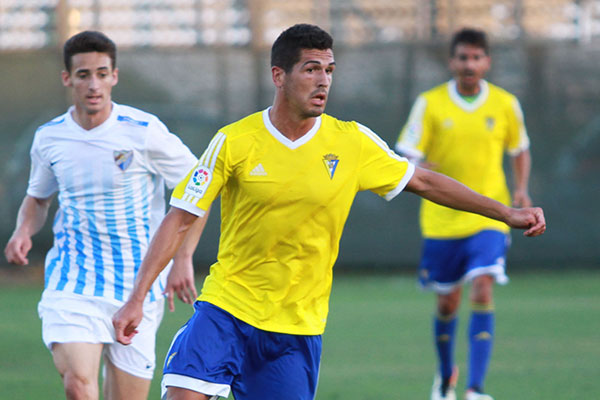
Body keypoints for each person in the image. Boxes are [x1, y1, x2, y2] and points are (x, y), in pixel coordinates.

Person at [113, 24, 545, 400]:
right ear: (278, 76)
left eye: (330, 70)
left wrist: (505, 212)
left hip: (297, 327)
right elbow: (181, 216)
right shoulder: (235, 140)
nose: (324, 80)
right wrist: (137, 298)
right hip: (227, 309)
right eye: (312, 69)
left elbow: (425, 181)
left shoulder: (352, 142)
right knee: (183, 395)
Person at [4, 31, 208, 400]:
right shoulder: (49, 138)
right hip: (73, 283)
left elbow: (198, 190)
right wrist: (23, 231)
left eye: (102, 73)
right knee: (78, 384)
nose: (93, 84)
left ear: (114, 76)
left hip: (138, 286)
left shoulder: (143, 132)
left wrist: (183, 257)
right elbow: (38, 199)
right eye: (84, 75)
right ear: (68, 79)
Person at [395, 28, 534, 400]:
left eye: (476, 57)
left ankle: (476, 388)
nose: (469, 64)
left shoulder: (505, 103)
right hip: (441, 220)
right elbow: (405, 151)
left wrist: (520, 189)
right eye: (462, 57)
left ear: (486, 62)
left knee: (484, 286)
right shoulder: (431, 103)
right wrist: (419, 160)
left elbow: (519, 149)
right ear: (451, 61)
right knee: (447, 302)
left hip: (489, 216)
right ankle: (445, 378)